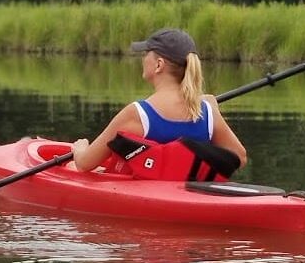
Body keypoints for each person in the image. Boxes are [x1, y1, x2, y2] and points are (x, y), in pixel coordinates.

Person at [72, 28, 247, 172]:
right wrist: (213, 110)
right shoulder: (207, 111)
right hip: (189, 193)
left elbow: (85, 164)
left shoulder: (137, 114)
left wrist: (79, 150)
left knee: (72, 166)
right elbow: (239, 157)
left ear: (159, 65)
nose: (143, 58)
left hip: (145, 200)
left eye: (147, 53)